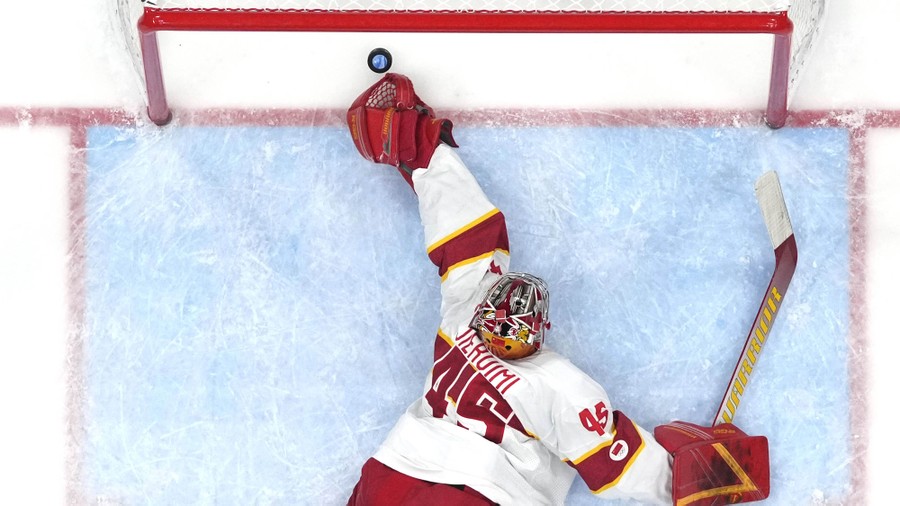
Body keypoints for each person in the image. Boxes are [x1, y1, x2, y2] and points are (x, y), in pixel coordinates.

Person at [344, 73, 770, 506]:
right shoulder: (557, 386)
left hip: (394, 474)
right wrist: (691, 482)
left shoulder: (469, 308)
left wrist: (421, 153)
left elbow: (465, 231)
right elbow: (613, 460)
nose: (503, 340)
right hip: (476, 490)